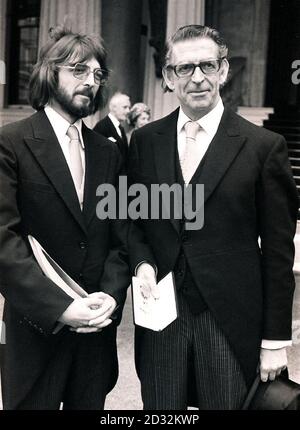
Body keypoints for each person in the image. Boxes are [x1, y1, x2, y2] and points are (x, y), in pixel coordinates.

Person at [128, 25, 299, 410]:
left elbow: (277, 253)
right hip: (161, 321)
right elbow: (135, 220)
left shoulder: (263, 147)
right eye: (185, 69)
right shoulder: (144, 142)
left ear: (223, 71)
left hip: (229, 321)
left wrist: (274, 341)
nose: (198, 78)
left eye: (208, 65)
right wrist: (141, 264)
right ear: (170, 78)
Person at [0, 26, 130, 410]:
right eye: (78, 70)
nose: (90, 81)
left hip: (94, 339)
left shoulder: (108, 154)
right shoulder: (11, 142)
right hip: (34, 332)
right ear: (49, 73)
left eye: (97, 74)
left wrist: (111, 294)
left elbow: (121, 236)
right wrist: (59, 307)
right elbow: (3, 240)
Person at [93, 92, 131, 162]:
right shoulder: (101, 127)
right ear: (114, 108)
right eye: (125, 107)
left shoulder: (121, 129)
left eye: (129, 108)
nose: (128, 111)